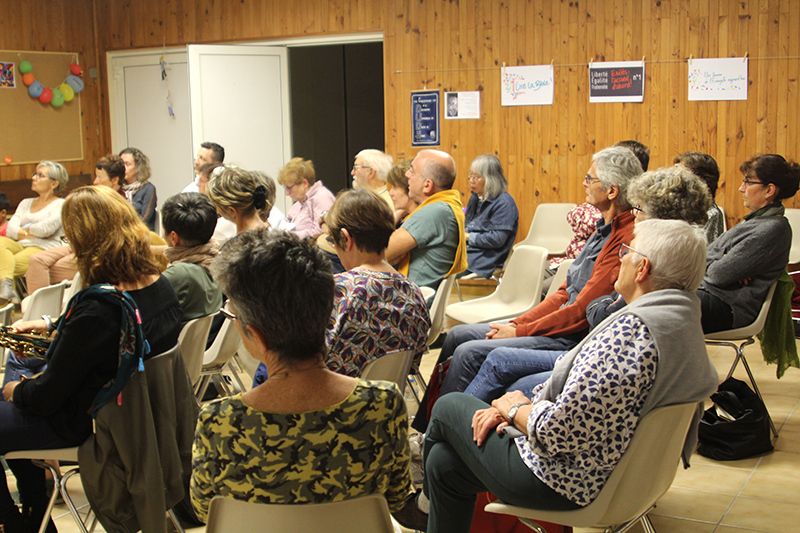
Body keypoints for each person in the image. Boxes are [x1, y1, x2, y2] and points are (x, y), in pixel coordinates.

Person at [420, 219, 718, 533]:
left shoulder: (631, 335)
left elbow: (555, 433)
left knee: (449, 405)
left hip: (565, 480)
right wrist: (517, 409)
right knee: (443, 464)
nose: (620, 257)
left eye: (626, 251)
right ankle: (427, 503)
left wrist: (512, 409)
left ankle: (421, 503)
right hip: (617, 475)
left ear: (642, 268)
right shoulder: (682, 322)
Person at [190, 229, 414, 522]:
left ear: (255, 336)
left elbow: (206, 510)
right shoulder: (382, 405)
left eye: (233, 318)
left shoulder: (221, 422)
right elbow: (396, 498)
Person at [0, 185, 181, 532]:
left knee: (10, 391)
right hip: (137, 415)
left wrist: (15, 390)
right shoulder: (158, 284)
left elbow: (46, 397)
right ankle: (36, 506)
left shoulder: (100, 308)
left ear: (83, 239)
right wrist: (54, 328)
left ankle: (16, 520)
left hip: (91, 421)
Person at [417, 146, 641, 419]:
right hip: (561, 326)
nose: (584, 183)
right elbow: (562, 294)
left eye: (589, 178)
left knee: (469, 351)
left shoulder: (624, 238)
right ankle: (427, 426)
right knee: (457, 335)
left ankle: (447, 428)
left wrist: (520, 331)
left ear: (612, 191)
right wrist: (518, 324)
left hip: (571, 337)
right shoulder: (602, 229)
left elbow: (580, 310)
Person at [465, 165, 713, 401]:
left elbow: (595, 314)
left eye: (639, 209)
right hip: (595, 359)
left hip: (589, 359)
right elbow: (584, 301)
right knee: (483, 354)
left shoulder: (645, 270)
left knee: (497, 367)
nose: (633, 215)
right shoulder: (682, 281)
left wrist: (514, 409)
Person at [324, 189, 430, 375]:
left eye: (332, 240)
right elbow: (413, 364)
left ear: (346, 238)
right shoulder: (414, 292)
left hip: (333, 399)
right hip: (387, 399)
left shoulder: (339, 290)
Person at [699, 154, 800, 333]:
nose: (741, 188)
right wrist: (720, 262)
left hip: (728, 307)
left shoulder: (773, 229)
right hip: (711, 295)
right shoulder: (755, 222)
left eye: (747, 182)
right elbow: (709, 259)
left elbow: (717, 274)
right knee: (648, 297)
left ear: (769, 190)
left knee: (657, 304)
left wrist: (713, 263)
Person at [26, 155, 127, 293]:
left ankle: (42, 311)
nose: (95, 181)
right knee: (36, 260)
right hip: (76, 245)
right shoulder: (98, 197)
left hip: (95, 251)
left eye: (99, 177)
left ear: (114, 180)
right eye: (95, 176)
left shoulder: (119, 203)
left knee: (43, 269)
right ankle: (37, 309)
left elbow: (106, 238)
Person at [385, 149, 467, 289]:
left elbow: (379, 253)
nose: (407, 174)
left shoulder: (434, 212)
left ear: (427, 185)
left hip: (411, 302)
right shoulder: (446, 206)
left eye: (412, 170)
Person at [0, 160, 68, 304]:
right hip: (19, 244)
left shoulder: (61, 204)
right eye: (34, 174)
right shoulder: (25, 202)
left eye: (40, 175)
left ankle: (7, 301)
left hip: (43, 248)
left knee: (6, 264)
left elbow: (45, 230)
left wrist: (24, 229)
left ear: (54, 184)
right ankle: (7, 288)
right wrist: (29, 231)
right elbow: (10, 230)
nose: (34, 178)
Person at [161, 192, 223, 323]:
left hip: (178, 343)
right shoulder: (217, 260)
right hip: (204, 342)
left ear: (173, 237)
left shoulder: (179, 273)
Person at [463, 154, 519, 278]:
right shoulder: (475, 198)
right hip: (468, 252)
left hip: (484, 259)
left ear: (490, 179)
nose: (471, 180)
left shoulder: (505, 203)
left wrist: (468, 237)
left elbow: (497, 239)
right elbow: (467, 225)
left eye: (476, 177)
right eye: (470, 176)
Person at [277, 157, 335, 239]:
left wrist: (290, 236)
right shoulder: (298, 204)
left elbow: (322, 232)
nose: (287, 193)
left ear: (304, 183)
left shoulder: (322, 197)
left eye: (289, 188)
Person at [674, 151, 724, 243]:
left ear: (699, 180)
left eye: (680, 174)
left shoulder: (711, 213)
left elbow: (706, 252)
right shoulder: (677, 206)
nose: (672, 178)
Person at [207, 165, 273, 234]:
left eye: (218, 207)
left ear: (231, 211)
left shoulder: (239, 243)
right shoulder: (278, 238)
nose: (218, 212)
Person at [119, 147, 158, 231]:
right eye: (121, 164)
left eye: (127, 164)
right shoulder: (117, 188)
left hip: (142, 233)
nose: (123, 168)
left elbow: (145, 220)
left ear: (138, 167)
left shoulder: (148, 188)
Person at [387, 159, 417, 226]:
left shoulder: (419, 222)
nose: (390, 193)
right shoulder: (402, 218)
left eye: (395, 187)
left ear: (409, 187)